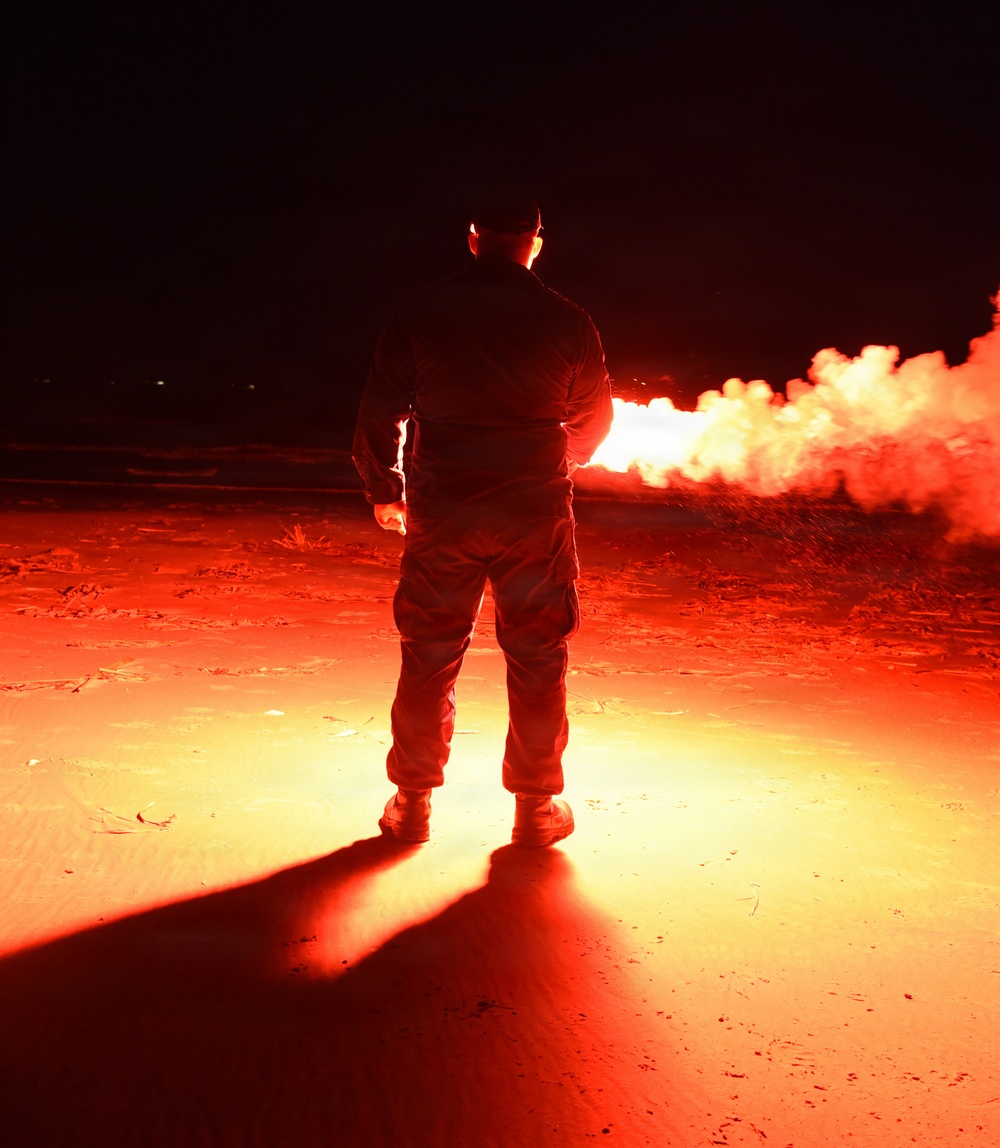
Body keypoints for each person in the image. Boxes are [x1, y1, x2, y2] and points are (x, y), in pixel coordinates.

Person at [352, 189, 613, 847]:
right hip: (534, 516)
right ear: (535, 244)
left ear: (473, 239)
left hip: (445, 513)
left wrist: (385, 488)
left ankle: (411, 804)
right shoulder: (568, 320)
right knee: (537, 655)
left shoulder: (422, 311)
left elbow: (379, 410)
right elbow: (594, 422)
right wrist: (559, 464)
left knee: (430, 654)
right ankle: (533, 809)